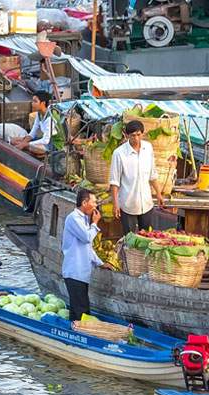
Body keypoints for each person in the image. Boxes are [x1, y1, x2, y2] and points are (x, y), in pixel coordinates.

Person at [61, 190, 109, 321]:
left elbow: (88, 249)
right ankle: (75, 336)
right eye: (93, 202)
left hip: (82, 273)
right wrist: (95, 223)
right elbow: (87, 238)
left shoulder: (83, 220)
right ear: (84, 202)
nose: (95, 206)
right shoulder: (74, 218)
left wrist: (100, 263)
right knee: (80, 310)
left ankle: (77, 332)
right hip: (74, 272)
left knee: (83, 309)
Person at [109, 120, 162, 233]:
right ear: (127, 135)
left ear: (142, 134)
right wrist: (115, 204)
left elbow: (152, 173)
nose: (136, 139)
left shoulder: (148, 148)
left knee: (146, 237)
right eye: (133, 136)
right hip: (128, 204)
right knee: (129, 239)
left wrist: (158, 194)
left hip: (146, 203)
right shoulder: (119, 153)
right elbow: (114, 182)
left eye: (139, 135)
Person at [15, 90, 53, 156]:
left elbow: (46, 140)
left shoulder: (49, 118)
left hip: (52, 145)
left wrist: (26, 144)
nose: (32, 103)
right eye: (33, 101)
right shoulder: (39, 114)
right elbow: (32, 133)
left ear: (43, 103)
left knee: (28, 146)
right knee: (14, 140)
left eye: (35, 101)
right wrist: (24, 142)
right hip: (42, 141)